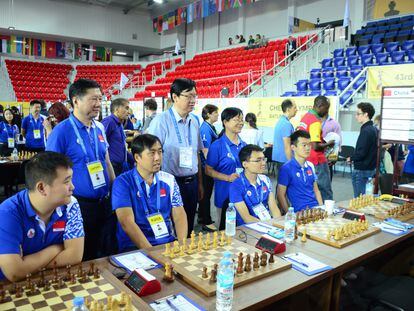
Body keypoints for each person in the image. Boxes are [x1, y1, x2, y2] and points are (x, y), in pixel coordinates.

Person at [46, 79, 116, 260]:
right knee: (84, 257)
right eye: (93, 99)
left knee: (105, 253)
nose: (98, 104)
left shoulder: (99, 128)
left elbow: (106, 161)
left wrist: (115, 191)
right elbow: (50, 171)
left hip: (104, 202)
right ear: (76, 100)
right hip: (78, 205)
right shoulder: (61, 132)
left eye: (100, 99)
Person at [0, 152, 84, 281]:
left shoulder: (71, 204)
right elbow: (14, 272)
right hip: (10, 289)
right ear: (41, 188)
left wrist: (26, 265)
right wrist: (57, 248)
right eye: (66, 181)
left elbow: (75, 256)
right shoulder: (7, 213)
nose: (72, 187)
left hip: (53, 279)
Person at [112, 134, 188, 252]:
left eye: (160, 152)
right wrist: (151, 252)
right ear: (137, 157)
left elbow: (179, 215)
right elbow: (126, 222)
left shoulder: (169, 180)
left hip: (166, 244)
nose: (157, 158)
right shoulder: (122, 183)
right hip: (134, 248)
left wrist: (182, 245)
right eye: (152, 153)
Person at [148, 78, 203, 235]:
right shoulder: (161, 121)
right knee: (170, 229)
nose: (193, 100)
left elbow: (196, 154)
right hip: (168, 183)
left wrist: (199, 183)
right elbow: (150, 155)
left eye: (195, 96)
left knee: (188, 227)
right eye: (188, 96)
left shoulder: (194, 121)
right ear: (175, 97)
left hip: (191, 183)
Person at [206, 107, 246, 230]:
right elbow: (208, 170)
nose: (240, 123)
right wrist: (228, 178)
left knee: (243, 229)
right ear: (225, 122)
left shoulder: (244, 145)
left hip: (242, 195)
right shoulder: (217, 146)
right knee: (225, 231)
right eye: (236, 120)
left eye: (242, 119)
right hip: (224, 195)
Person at [230, 144, 280, 226]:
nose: (263, 163)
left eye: (264, 159)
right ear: (245, 164)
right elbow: (246, 218)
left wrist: (278, 225)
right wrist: (268, 226)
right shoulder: (236, 185)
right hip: (248, 230)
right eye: (258, 160)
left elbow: (274, 208)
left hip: (267, 223)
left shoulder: (265, 180)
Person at [298, 95, 334, 201]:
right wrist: (329, 144)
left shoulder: (305, 117)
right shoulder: (315, 121)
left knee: (311, 190)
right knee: (325, 190)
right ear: (320, 106)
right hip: (317, 161)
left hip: (306, 159)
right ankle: (328, 213)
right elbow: (316, 146)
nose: (327, 111)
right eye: (326, 108)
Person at [277, 130, 323, 213]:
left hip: (315, 209)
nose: (308, 148)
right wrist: (289, 214)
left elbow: (316, 190)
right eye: (304, 145)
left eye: (309, 145)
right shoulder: (286, 168)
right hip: (299, 213)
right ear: (293, 147)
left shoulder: (310, 166)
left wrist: (322, 208)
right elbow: (280, 195)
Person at [347, 102, 378, 197]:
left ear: (366, 114)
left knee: (359, 199)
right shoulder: (374, 129)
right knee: (365, 199)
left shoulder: (366, 131)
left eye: (358, 114)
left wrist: (351, 158)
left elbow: (361, 152)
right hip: (370, 168)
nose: (356, 116)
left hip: (362, 170)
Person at [199, 104, 219, 232]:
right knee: (206, 194)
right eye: (215, 113)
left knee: (207, 193)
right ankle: (206, 220)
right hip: (207, 167)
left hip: (209, 166)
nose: (217, 115)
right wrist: (212, 166)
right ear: (208, 114)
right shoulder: (205, 129)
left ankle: (202, 216)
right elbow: (205, 150)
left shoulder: (211, 127)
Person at [102, 98, 132, 177]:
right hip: (112, 167)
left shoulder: (119, 124)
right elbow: (100, 144)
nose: (128, 112)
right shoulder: (109, 122)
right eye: (126, 108)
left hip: (120, 166)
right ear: (117, 109)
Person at [272, 99, 297, 169]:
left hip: (281, 159)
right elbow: (287, 146)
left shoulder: (281, 121)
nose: (296, 110)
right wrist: (291, 164)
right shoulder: (286, 124)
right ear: (288, 110)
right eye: (294, 108)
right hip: (285, 160)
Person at [321, 114, 342, 181]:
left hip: (328, 159)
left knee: (327, 184)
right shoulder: (314, 120)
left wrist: (334, 158)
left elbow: (337, 144)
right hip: (316, 158)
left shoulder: (334, 124)